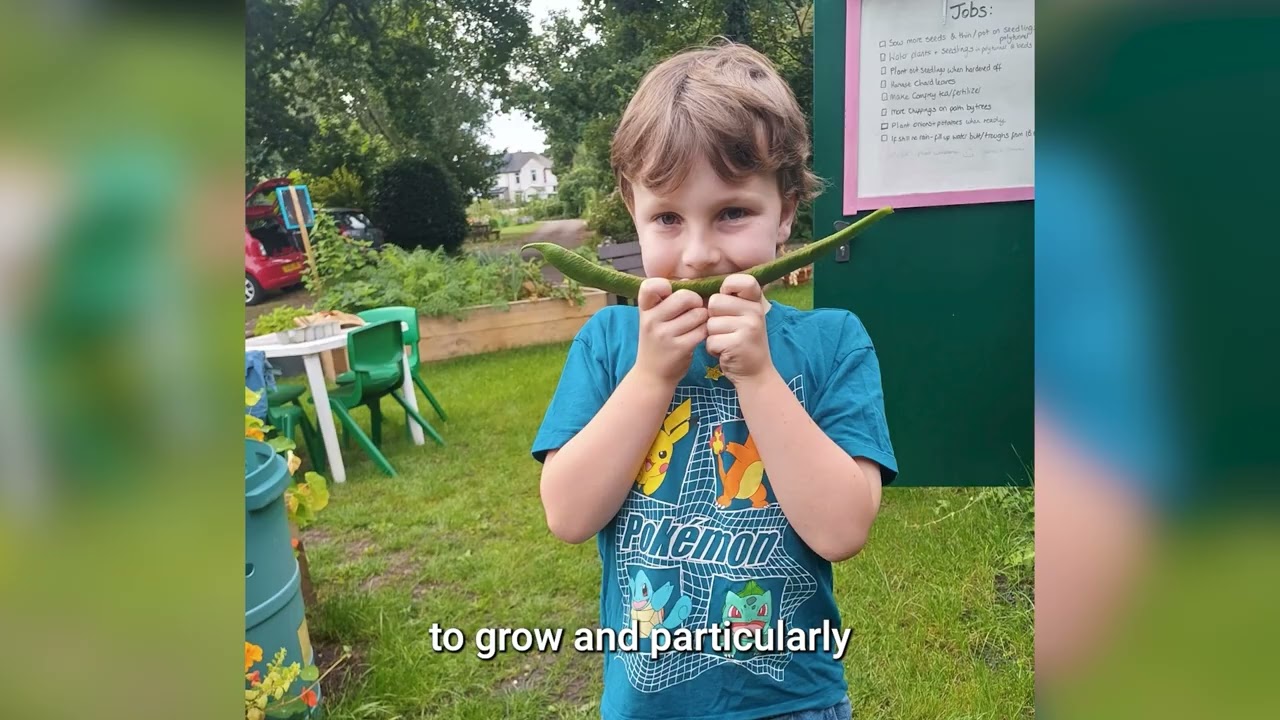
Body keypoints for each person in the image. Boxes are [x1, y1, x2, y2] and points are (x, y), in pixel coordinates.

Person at [531, 40, 897, 720]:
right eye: (667, 217)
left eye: (732, 212)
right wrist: (649, 377)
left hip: (793, 702)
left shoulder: (833, 342)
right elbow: (569, 514)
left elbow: (842, 529)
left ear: (786, 212)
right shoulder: (609, 345)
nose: (698, 252)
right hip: (647, 706)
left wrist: (758, 374)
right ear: (631, 210)